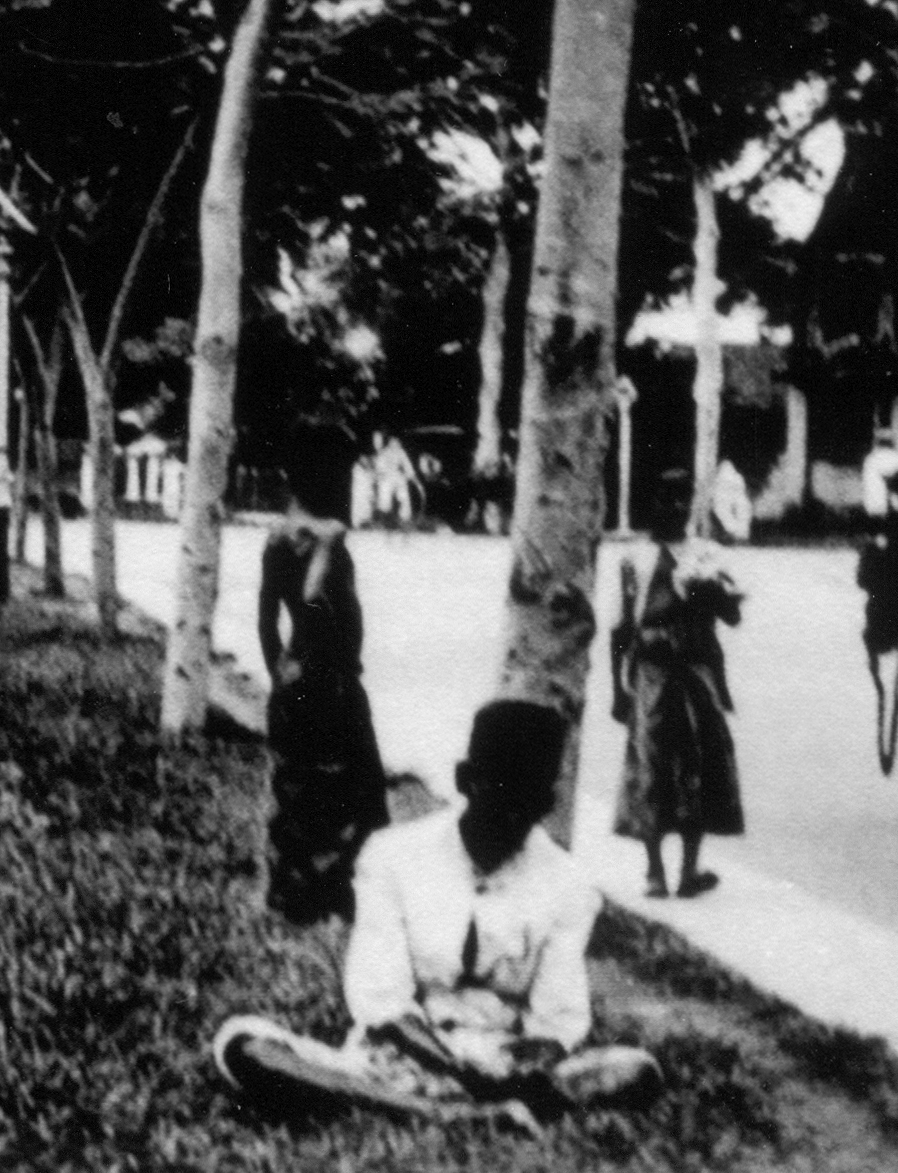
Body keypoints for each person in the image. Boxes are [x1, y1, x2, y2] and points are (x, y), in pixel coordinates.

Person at [214, 702, 662, 1124]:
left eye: (529, 801)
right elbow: (382, 1003)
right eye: (499, 793)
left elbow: (556, 1020)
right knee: (242, 1044)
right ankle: (442, 1114)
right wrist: (456, 1070)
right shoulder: (392, 855)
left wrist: (515, 1066)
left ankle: (454, 1107)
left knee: (638, 1069)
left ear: (547, 804)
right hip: (397, 1056)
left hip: (505, 1064)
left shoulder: (570, 884)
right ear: (465, 780)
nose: (512, 816)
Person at [257, 431, 388, 924]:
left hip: (314, 677)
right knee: (355, 792)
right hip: (327, 681)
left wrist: (278, 669)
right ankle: (323, 889)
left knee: (305, 789)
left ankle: (306, 887)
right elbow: (312, 605)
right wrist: (327, 550)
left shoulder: (279, 535)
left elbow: (267, 618)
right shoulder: (319, 537)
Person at [612, 533, 744, 897]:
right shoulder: (636, 557)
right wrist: (618, 691)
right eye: (663, 502)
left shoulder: (704, 555)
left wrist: (711, 592)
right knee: (651, 766)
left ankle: (689, 871)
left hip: (696, 671)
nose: (673, 508)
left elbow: (732, 616)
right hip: (652, 674)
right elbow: (622, 628)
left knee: (697, 766)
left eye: (680, 502)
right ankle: (654, 871)